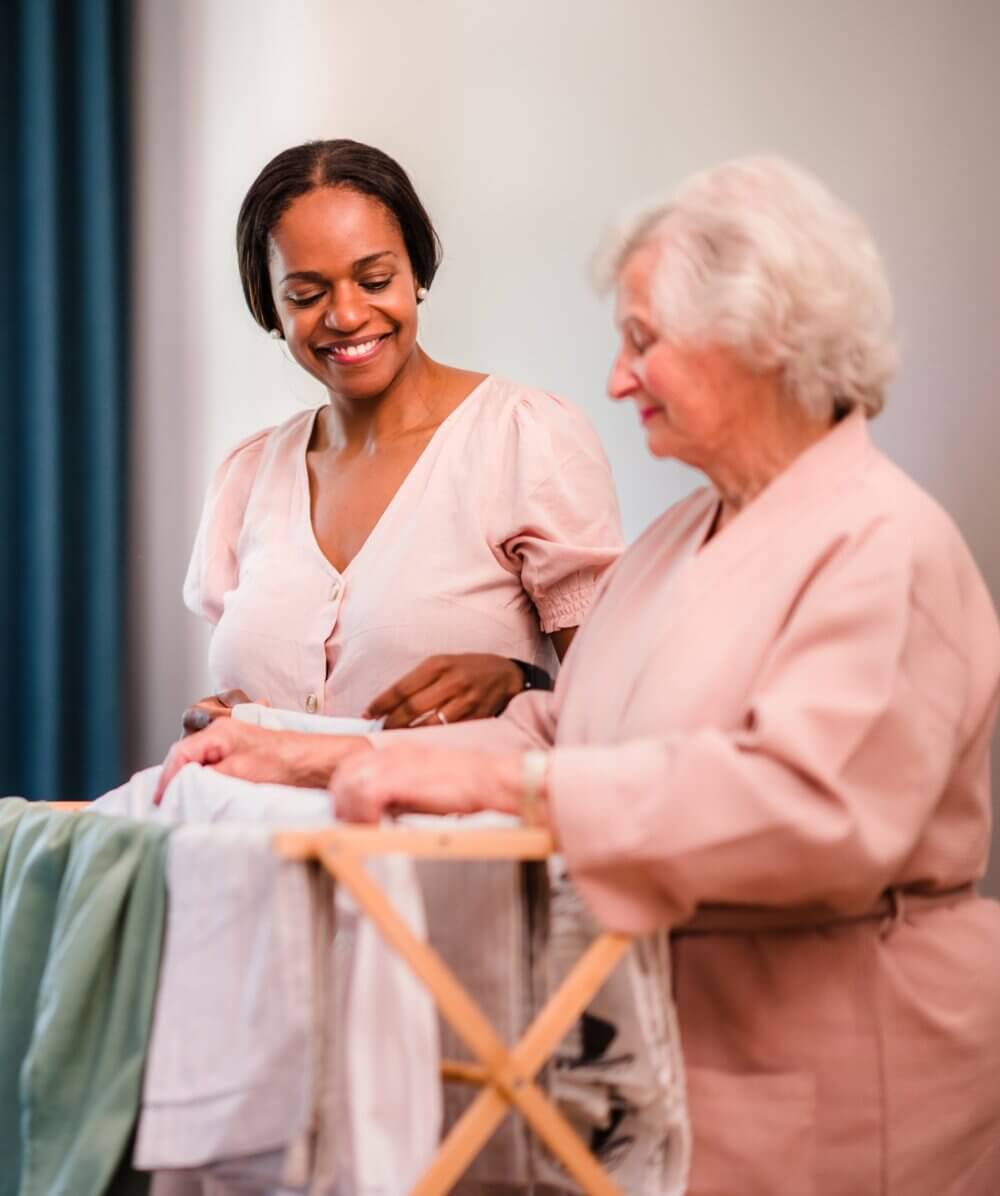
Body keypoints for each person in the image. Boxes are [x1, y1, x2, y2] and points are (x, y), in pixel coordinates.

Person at [161, 156, 1000, 1194]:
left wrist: (501, 787)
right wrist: (295, 753)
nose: (616, 377)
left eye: (642, 341)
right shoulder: (683, 536)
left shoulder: (885, 544)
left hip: (839, 1073)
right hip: (664, 1062)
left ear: (764, 344)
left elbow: (809, 811)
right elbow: (564, 728)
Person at [181, 139, 622, 737]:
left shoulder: (524, 439)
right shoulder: (248, 475)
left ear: (417, 272)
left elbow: (618, 704)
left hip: (452, 830)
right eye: (306, 296)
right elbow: (251, 700)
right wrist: (220, 723)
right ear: (270, 307)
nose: (346, 315)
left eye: (374, 279)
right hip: (262, 827)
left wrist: (522, 681)